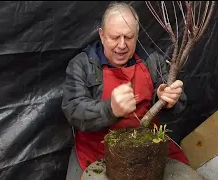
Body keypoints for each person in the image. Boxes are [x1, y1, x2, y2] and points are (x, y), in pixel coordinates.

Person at [61, 2, 189, 180]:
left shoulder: (152, 61)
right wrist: (110, 109)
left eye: (128, 37)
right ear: (102, 35)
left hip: (148, 146)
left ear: (136, 36)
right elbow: (73, 110)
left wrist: (167, 100)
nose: (122, 45)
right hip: (97, 148)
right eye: (115, 37)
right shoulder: (82, 65)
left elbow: (179, 101)